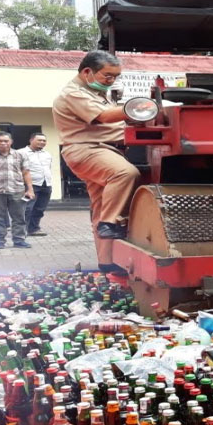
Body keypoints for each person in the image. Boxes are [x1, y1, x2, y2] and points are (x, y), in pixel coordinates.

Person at [53, 50, 147, 275]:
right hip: (88, 149)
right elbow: (105, 117)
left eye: (116, 76)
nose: (112, 80)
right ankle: (112, 223)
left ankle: (107, 263)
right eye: (108, 76)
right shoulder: (73, 93)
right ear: (87, 72)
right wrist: (138, 108)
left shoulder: (93, 91)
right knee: (125, 174)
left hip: (100, 149)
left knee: (100, 207)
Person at [18, 132, 53, 236]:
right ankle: (20, 230)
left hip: (46, 184)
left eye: (44, 141)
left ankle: (34, 229)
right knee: (27, 208)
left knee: (40, 208)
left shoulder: (47, 154)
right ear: (31, 140)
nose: (42, 142)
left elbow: (48, 168)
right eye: (39, 140)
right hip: (29, 185)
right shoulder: (20, 153)